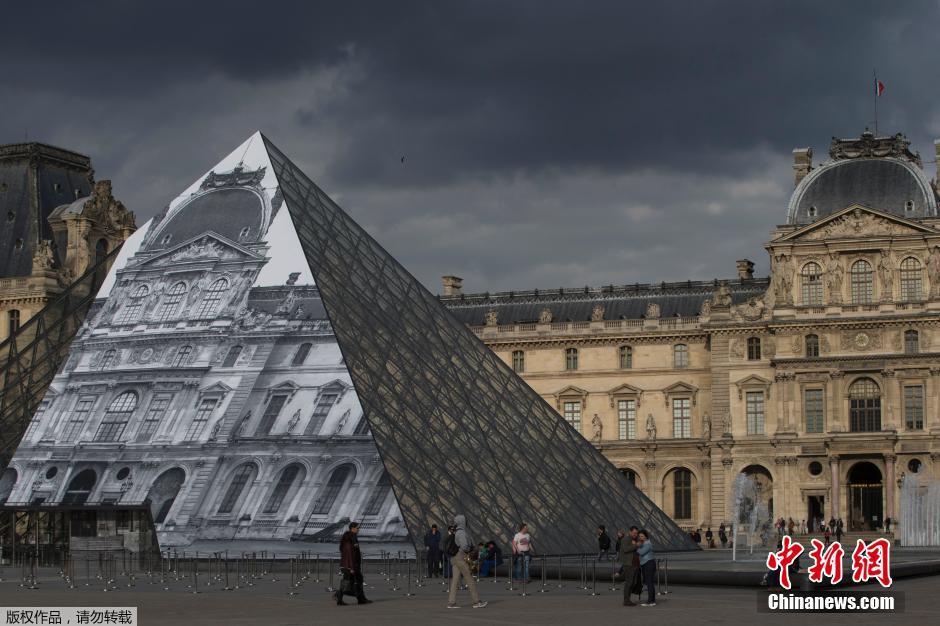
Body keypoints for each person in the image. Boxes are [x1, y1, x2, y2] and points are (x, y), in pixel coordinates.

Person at [446, 514, 487, 609]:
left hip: (455, 558)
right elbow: (464, 546)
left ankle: (451, 603)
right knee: (469, 579)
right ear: (463, 522)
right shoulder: (462, 533)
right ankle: (476, 602)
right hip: (461, 558)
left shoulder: (457, 532)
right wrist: (469, 550)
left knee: (455, 581)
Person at [334, 521, 371, 605]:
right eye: (357, 528)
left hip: (351, 564)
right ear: (352, 528)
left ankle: (361, 599)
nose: (359, 530)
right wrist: (351, 567)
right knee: (349, 581)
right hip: (351, 565)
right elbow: (349, 553)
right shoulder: (349, 537)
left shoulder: (350, 536)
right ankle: (339, 596)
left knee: (355, 580)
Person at [619, 526, 641, 606]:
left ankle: (628, 598)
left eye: (637, 533)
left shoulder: (636, 540)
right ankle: (626, 600)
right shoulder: (625, 539)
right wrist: (636, 545)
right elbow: (626, 549)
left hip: (635, 564)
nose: (636, 534)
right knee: (629, 582)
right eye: (634, 533)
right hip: (629, 564)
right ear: (630, 532)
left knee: (633, 582)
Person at [636, 529, 656, 607]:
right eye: (640, 536)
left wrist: (636, 546)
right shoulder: (644, 543)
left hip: (649, 564)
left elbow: (641, 552)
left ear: (646, 536)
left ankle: (651, 601)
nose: (640, 537)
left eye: (642, 536)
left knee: (649, 583)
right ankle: (652, 600)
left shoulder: (648, 544)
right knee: (649, 582)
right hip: (646, 564)